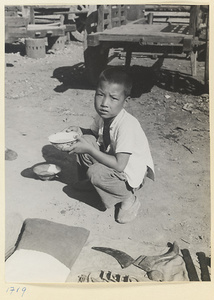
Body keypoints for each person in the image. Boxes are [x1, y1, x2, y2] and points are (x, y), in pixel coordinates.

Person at [63, 68, 154, 224]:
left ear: (126, 101)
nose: (104, 103)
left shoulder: (127, 125)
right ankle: (94, 185)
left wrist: (90, 149)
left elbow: (120, 165)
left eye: (113, 98)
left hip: (128, 174)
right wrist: (79, 130)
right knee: (83, 139)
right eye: (100, 95)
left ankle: (128, 199)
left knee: (95, 171)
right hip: (113, 160)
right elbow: (93, 133)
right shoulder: (104, 116)